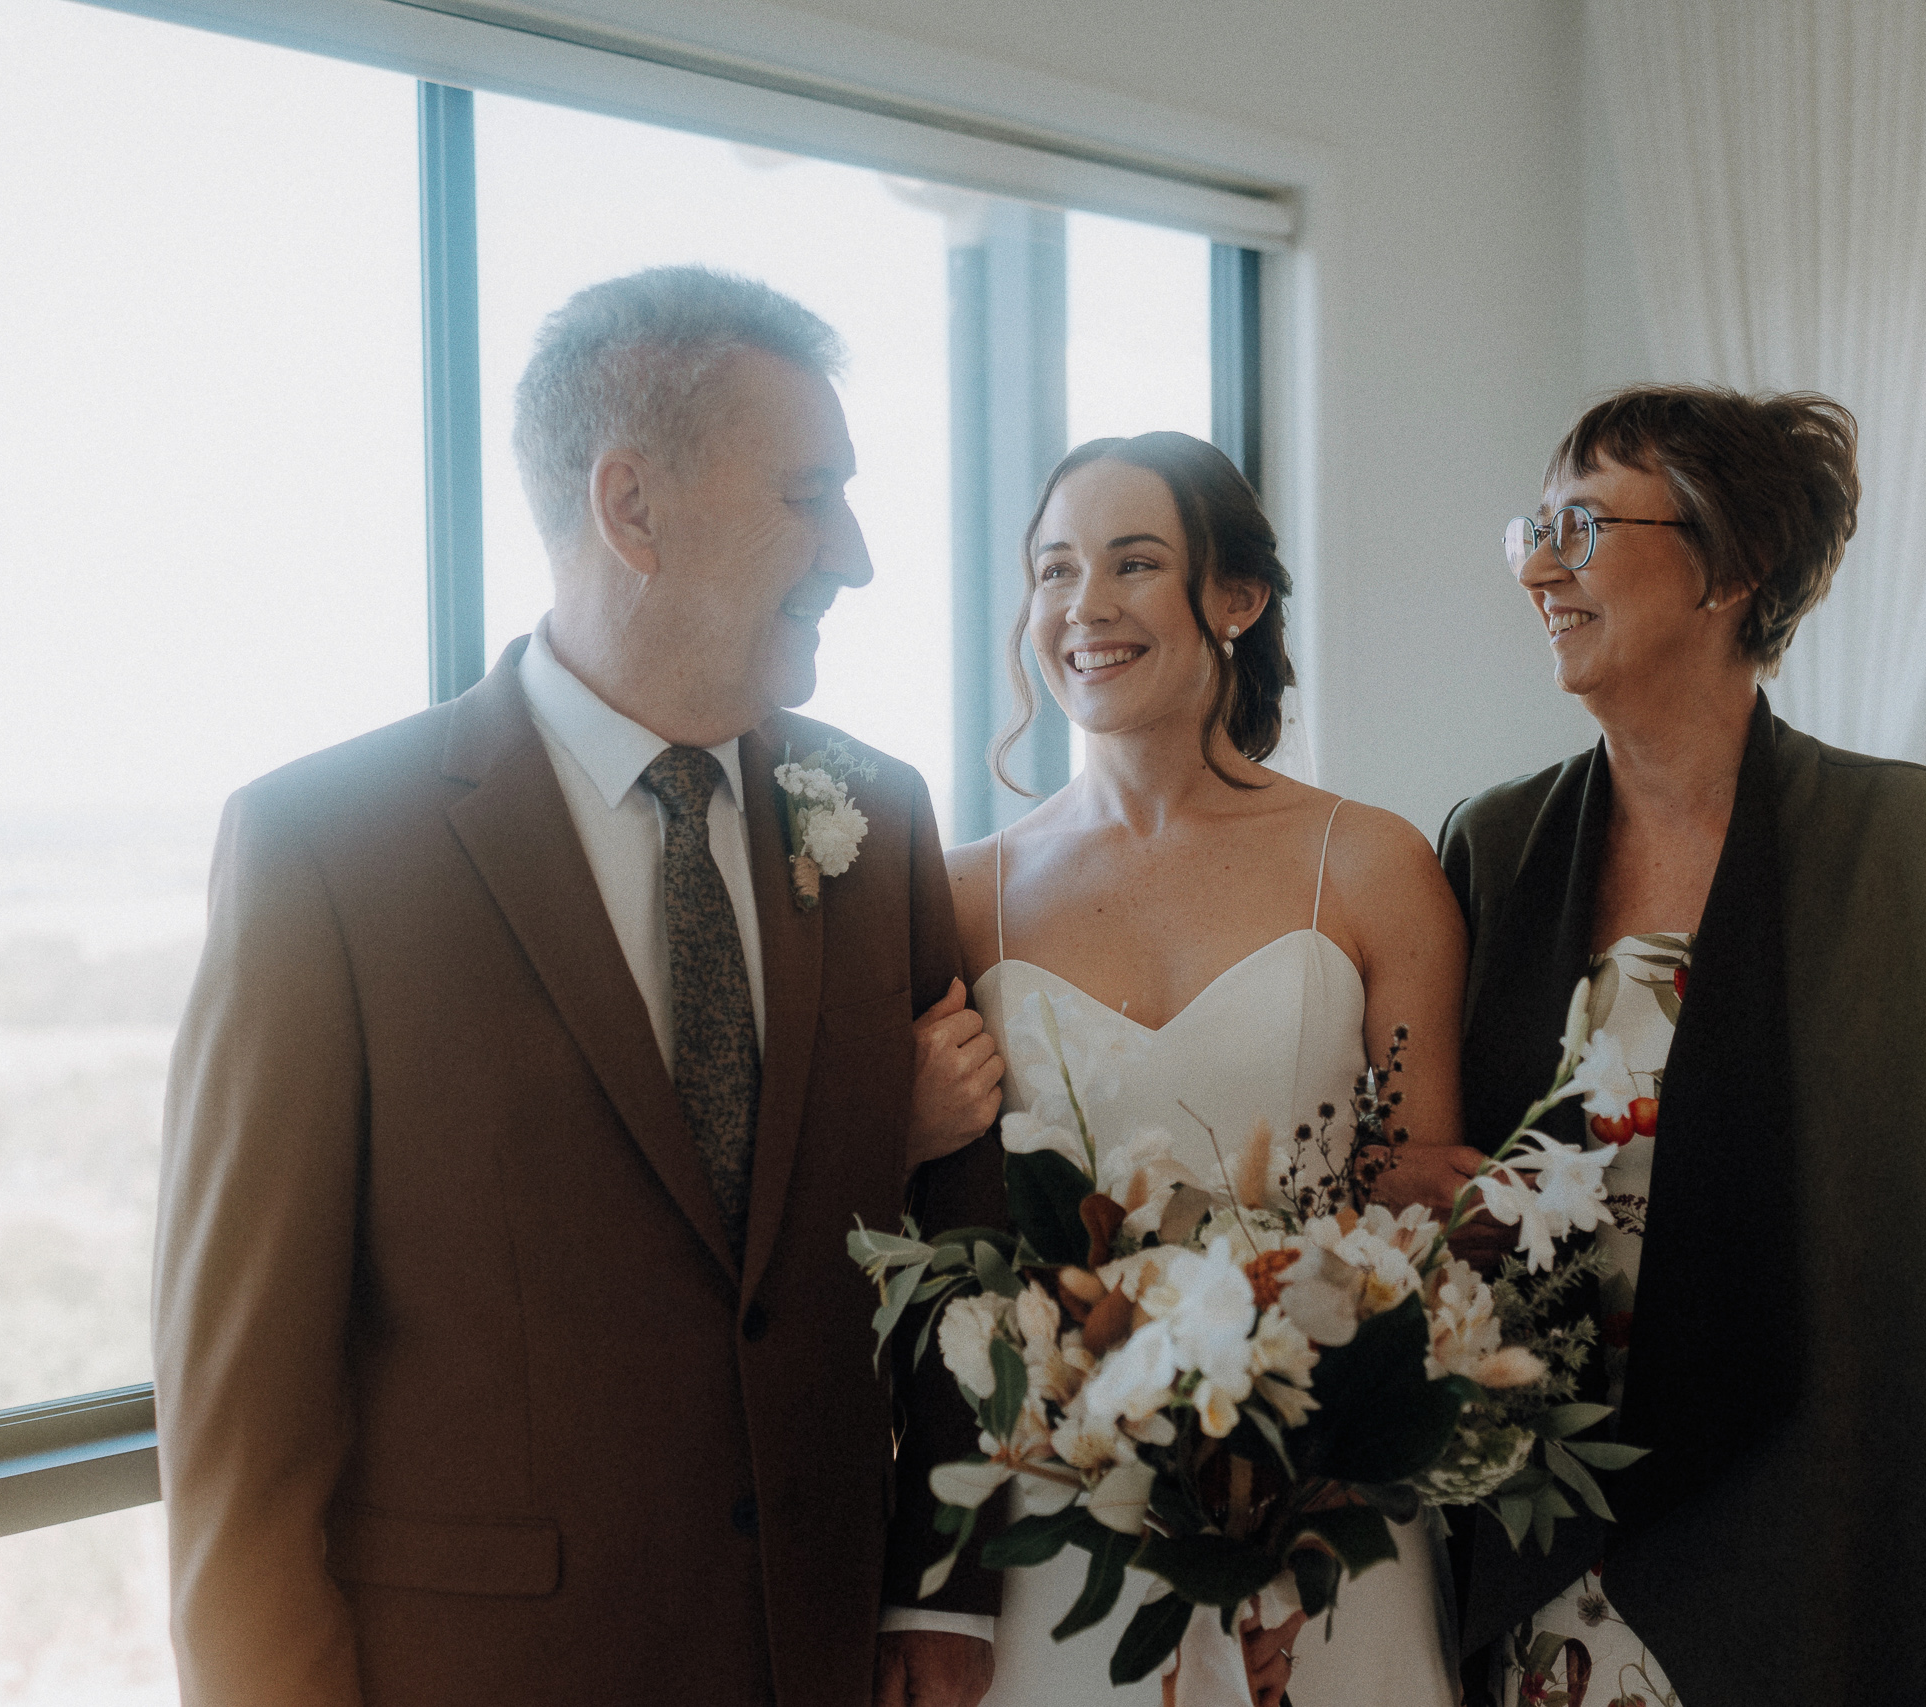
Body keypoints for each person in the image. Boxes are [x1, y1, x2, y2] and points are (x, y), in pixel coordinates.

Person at [154, 265, 1006, 1707]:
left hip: (821, 1654)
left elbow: (957, 1238)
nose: (854, 553)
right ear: (630, 507)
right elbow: (243, 1426)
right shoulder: (328, 850)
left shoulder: (878, 813)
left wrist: (944, 1587)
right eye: (810, 493)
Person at [1393, 384, 1926, 1705]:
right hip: (1543, 1579)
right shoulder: (1492, 845)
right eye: (1531, 527)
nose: (1541, 564)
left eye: (1584, 524)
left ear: (1732, 565)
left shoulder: (1918, 851)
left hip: (1813, 1581)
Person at [937, 431, 1470, 1706]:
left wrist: (1303, 1484)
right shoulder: (966, 897)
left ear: (1235, 598)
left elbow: (1422, 1198)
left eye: (1133, 564)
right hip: (1065, 1515)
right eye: (1056, 570)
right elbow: (940, 1224)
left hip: (1326, 1502)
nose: (1085, 607)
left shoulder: (1373, 863)